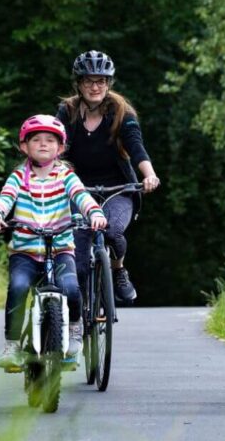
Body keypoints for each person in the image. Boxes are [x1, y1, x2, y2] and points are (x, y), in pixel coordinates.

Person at [0, 114, 107, 372]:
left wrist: (94, 213)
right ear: (24, 146)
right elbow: (5, 198)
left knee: (72, 289)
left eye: (50, 140)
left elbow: (81, 196)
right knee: (18, 287)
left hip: (61, 249)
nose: (43, 144)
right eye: (36, 140)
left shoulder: (66, 176)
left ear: (60, 147)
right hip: (25, 251)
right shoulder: (19, 177)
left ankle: (75, 332)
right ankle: (12, 346)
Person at [55, 50, 160, 304]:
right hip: (77, 190)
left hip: (119, 188)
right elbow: (55, 148)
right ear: (78, 83)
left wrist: (149, 175)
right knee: (78, 255)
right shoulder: (66, 112)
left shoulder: (121, 111)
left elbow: (136, 147)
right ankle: (78, 317)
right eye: (89, 81)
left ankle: (118, 270)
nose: (95, 87)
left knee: (112, 232)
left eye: (101, 81)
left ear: (108, 83)